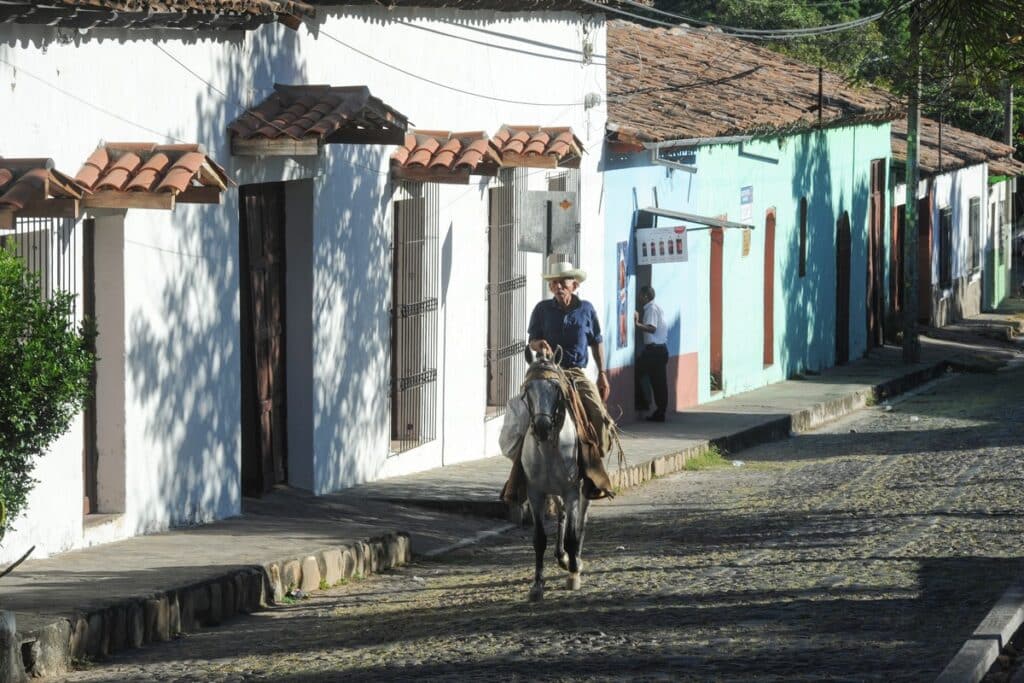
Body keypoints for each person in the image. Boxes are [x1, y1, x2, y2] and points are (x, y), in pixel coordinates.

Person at [500, 254, 617, 504]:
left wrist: (603, 374)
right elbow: (532, 339)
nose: (560, 286)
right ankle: (517, 480)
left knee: (597, 413)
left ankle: (594, 471)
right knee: (526, 414)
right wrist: (537, 343)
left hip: (575, 371)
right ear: (551, 286)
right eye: (555, 282)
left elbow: (597, 342)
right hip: (546, 369)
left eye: (565, 281)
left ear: (575, 285)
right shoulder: (542, 310)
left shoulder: (586, 310)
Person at [635, 285, 668, 422]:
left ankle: (645, 404)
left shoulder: (651, 309)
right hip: (659, 350)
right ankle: (659, 411)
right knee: (658, 382)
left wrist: (636, 324)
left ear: (645, 296)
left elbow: (652, 328)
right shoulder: (655, 307)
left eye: (640, 295)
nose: (639, 298)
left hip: (655, 351)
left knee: (639, 372)